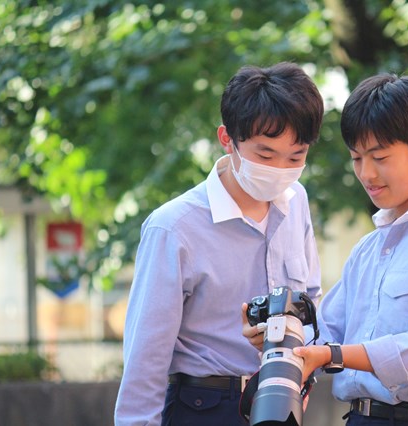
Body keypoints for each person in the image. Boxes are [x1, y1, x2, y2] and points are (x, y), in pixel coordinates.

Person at [244, 73, 408, 425]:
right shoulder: (370, 248)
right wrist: (279, 338)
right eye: (356, 159)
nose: (367, 174)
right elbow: (327, 330)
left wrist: (330, 355)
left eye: (380, 157)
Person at [114, 62, 324, 426]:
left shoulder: (297, 201)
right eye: (265, 155)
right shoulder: (174, 228)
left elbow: (312, 299)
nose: (280, 169)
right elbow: (146, 356)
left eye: (296, 156)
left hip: (282, 398)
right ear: (227, 139)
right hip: (203, 405)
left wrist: (295, 353)